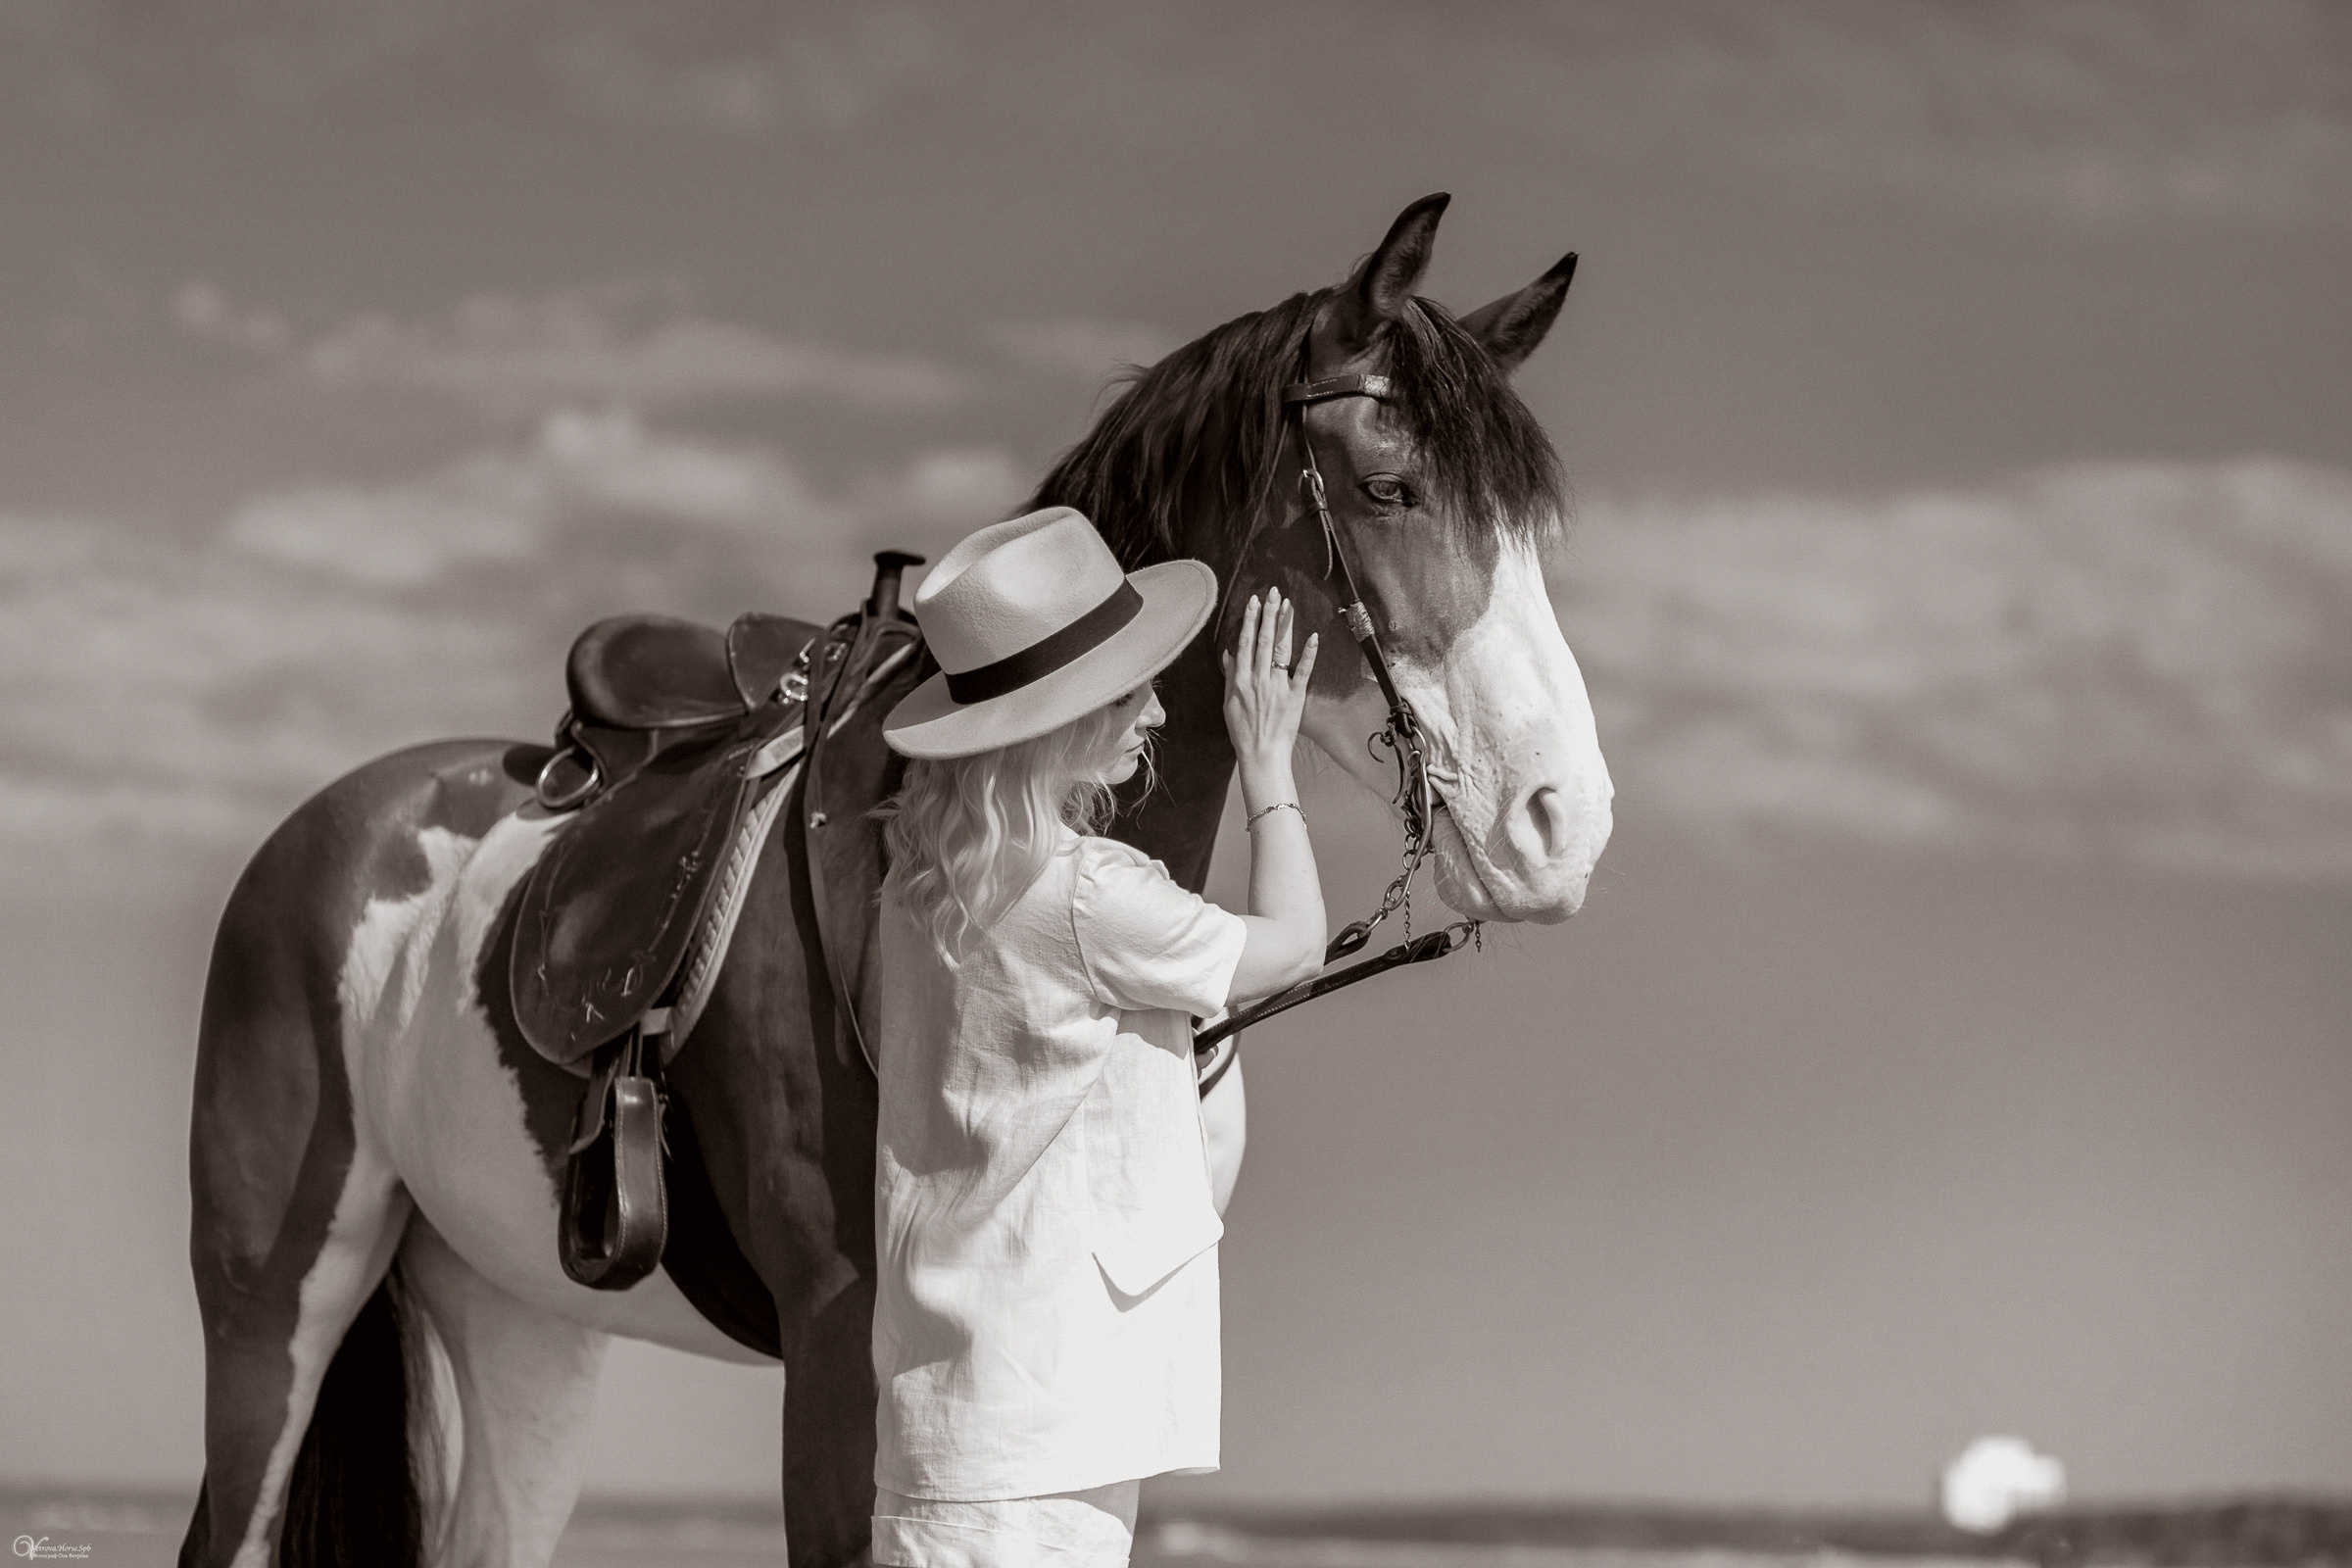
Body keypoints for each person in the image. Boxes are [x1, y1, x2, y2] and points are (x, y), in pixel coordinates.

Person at [869, 505, 1327, 1568]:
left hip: (951, 1424)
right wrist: (1268, 762)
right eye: (1127, 693)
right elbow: (1294, 945)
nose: (1159, 713)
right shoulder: (1087, 896)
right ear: (1055, 723)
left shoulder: (920, 887)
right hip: (1044, 1442)